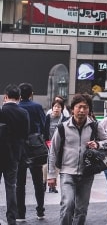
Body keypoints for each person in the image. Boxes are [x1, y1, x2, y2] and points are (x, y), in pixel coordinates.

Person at [47, 93, 107, 225]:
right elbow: (52, 151)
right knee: (67, 205)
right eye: (79, 107)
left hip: (87, 173)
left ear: (89, 110)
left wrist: (98, 144)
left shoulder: (94, 126)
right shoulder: (62, 128)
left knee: (82, 209)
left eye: (85, 107)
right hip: (67, 172)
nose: (82, 110)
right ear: (72, 109)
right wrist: (51, 175)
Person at [0, 84, 30, 225]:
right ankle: (11, 219)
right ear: (19, 98)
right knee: (11, 187)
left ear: (5, 97)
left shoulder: (1, 111)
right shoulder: (23, 113)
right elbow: (25, 135)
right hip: (14, 156)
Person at [17, 82, 46, 221]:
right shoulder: (38, 107)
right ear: (31, 94)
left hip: (20, 149)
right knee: (38, 182)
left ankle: (20, 214)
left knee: (20, 183)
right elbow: (43, 125)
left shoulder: (17, 107)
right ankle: (40, 211)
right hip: (36, 149)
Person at [43, 98, 67, 193]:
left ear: (62, 108)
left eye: (58, 107)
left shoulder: (65, 120)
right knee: (46, 165)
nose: (56, 108)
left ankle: (52, 185)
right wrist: (45, 141)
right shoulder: (47, 118)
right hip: (47, 144)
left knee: (56, 166)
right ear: (52, 108)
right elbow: (43, 131)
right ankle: (44, 182)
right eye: (55, 106)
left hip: (59, 146)